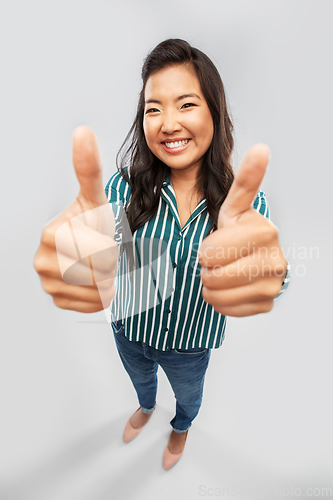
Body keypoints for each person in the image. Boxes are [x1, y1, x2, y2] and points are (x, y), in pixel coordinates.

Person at [34, 39, 290, 471]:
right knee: (141, 382)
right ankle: (146, 405)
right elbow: (94, 255)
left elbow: (265, 268)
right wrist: (71, 260)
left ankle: (181, 426)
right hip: (128, 330)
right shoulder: (121, 188)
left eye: (185, 104)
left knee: (189, 396)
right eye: (153, 109)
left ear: (215, 111)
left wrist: (273, 278)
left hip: (192, 346)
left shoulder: (245, 207)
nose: (167, 123)